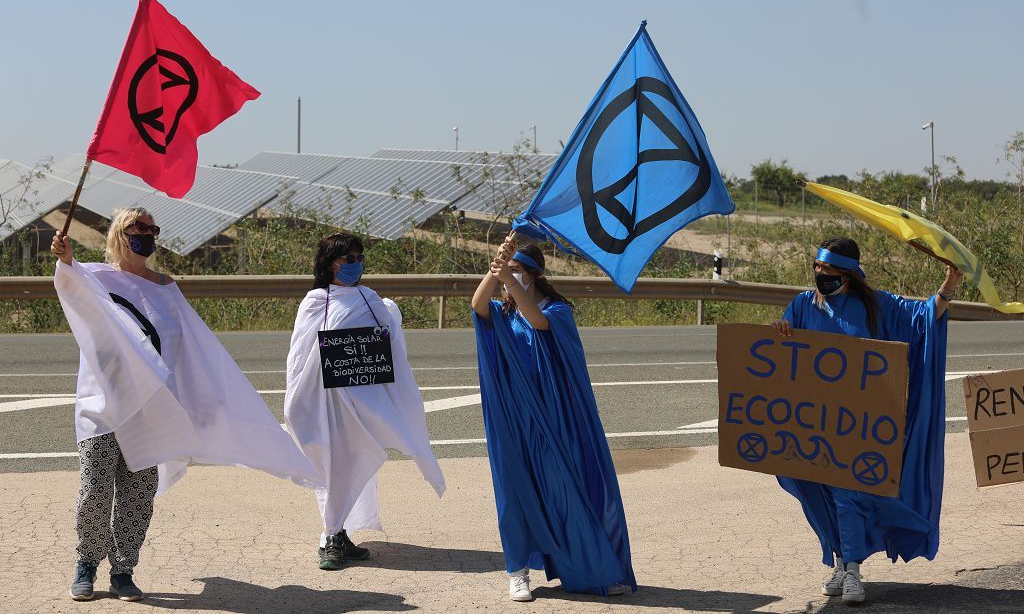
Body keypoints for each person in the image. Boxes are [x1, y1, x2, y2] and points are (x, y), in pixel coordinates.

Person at [52, 207, 321, 603]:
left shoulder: (165, 286)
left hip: (155, 408)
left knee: (137, 493)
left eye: (151, 228)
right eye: (136, 227)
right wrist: (65, 257)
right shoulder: (94, 276)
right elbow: (72, 285)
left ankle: (123, 570)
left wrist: (201, 398)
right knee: (94, 491)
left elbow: (191, 347)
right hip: (102, 404)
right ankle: (87, 565)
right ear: (117, 233)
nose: (145, 233)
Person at [770, 237, 963, 605]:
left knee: (848, 493)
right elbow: (785, 349)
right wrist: (780, 331)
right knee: (817, 494)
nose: (819, 274)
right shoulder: (802, 304)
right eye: (816, 266)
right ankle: (840, 561)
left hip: (856, 423)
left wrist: (948, 287)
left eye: (828, 269)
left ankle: (854, 570)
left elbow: (923, 318)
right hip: (810, 422)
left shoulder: (876, 305)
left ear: (848, 274)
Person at [470, 233, 637, 602]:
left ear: (532, 275)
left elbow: (538, 322)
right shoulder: (502, 313)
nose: (506, 281)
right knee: (513, 494)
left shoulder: (557, 312)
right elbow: (478, 304)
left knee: (565, 492)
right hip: (513, 418)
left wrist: (509, 276)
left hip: (554, 418)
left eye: (515, 273)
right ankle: (517, 574)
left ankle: (589, 569)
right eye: (505, 274)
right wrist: (495, 267)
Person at [284, 233, 445, 570]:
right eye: (348, 259)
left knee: (355, 463)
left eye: (359, 258)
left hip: (363, 405)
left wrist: (390, 312)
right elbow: (300, 357)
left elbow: (388, 339)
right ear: (330, 263)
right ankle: (331, 537)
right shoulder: (316, 301)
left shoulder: (371, 299)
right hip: (328, 405)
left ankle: (339, 534)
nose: (356, 265)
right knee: (331, 466)